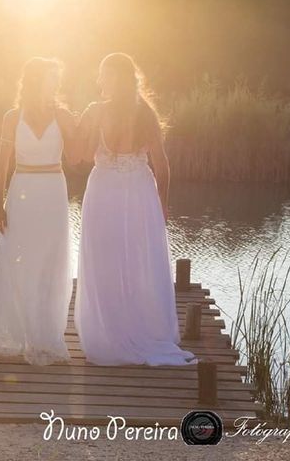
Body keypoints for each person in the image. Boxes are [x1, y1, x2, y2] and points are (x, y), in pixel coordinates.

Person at [72, 52, 198, 366]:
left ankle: (108, 333)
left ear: (113, 78)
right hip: (140, 193)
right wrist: (162, 206)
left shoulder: (97, 111)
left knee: (105, 260)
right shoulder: (146, 113)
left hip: (103, 191)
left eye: (103, 74)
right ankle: (140, 328)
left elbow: (80, 156)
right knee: (137, 261)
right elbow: (163, 167)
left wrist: (77, 126)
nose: (99, 80)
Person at [0, 57, 77, 366]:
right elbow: (1, 166)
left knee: (49, 261)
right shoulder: (12, 117)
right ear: (37, 80)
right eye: (51, 78)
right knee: (17, 258)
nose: (55, 84)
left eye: (57, 79)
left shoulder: (62, 116)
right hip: (22, 191)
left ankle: (44, 333)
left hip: (53, 192)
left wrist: (79, 125)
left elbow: (78, 158)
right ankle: (18, 329)